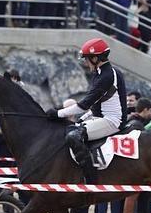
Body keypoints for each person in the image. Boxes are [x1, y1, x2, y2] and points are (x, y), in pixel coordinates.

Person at [46, 38, 128, 184]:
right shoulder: (101, 73)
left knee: (73, 136)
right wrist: (82, 119)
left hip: (113, 121)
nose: (85, 62)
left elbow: (84, 104)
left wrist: (57, 113)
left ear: (96, 58)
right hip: (101, 117)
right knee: (71, 128)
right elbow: (94, 106)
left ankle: (91, 179)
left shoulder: (107, 75)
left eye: (87, 59)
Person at [122, 98, 151, 213]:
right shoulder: (137, 125)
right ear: (146, 110)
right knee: (132, 194)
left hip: (127, 164)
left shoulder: (130, 121)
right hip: (132, 165)